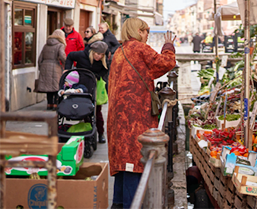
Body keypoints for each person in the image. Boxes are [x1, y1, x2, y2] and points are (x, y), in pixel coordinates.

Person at [107, 18, 176, 209]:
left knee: (123, 163)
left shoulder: (119, 52)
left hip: (118, 118)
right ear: (138, 31)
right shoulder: (138, 48)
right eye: (146, 31)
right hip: (135, 117)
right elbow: (166, 62)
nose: (147, 34)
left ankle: (118, 203)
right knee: (133, 162)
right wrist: (168, 45)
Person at [65, 41, 109, 144]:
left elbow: (106, 69)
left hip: (94, 86)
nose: (99, 57)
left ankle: (100, 133)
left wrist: (98, 75)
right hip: (81, 86)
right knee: (84, 109)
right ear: (92, 52)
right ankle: (87, 131)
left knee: (97, 112)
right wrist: (67, 69)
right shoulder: (82, 55)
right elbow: (70, 56)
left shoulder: (103, 60)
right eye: (97, 54)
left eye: (101, 55)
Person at [37, 29, 67, 110]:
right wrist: (66, 64)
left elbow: (40, 58)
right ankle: (55, 104)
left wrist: (41, 67)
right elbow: (62, 56)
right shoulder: (60, 45)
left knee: (48, 87)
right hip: (55, 66)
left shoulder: (46, 45)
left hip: (44, 66)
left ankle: (49, 104)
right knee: (56, 86)